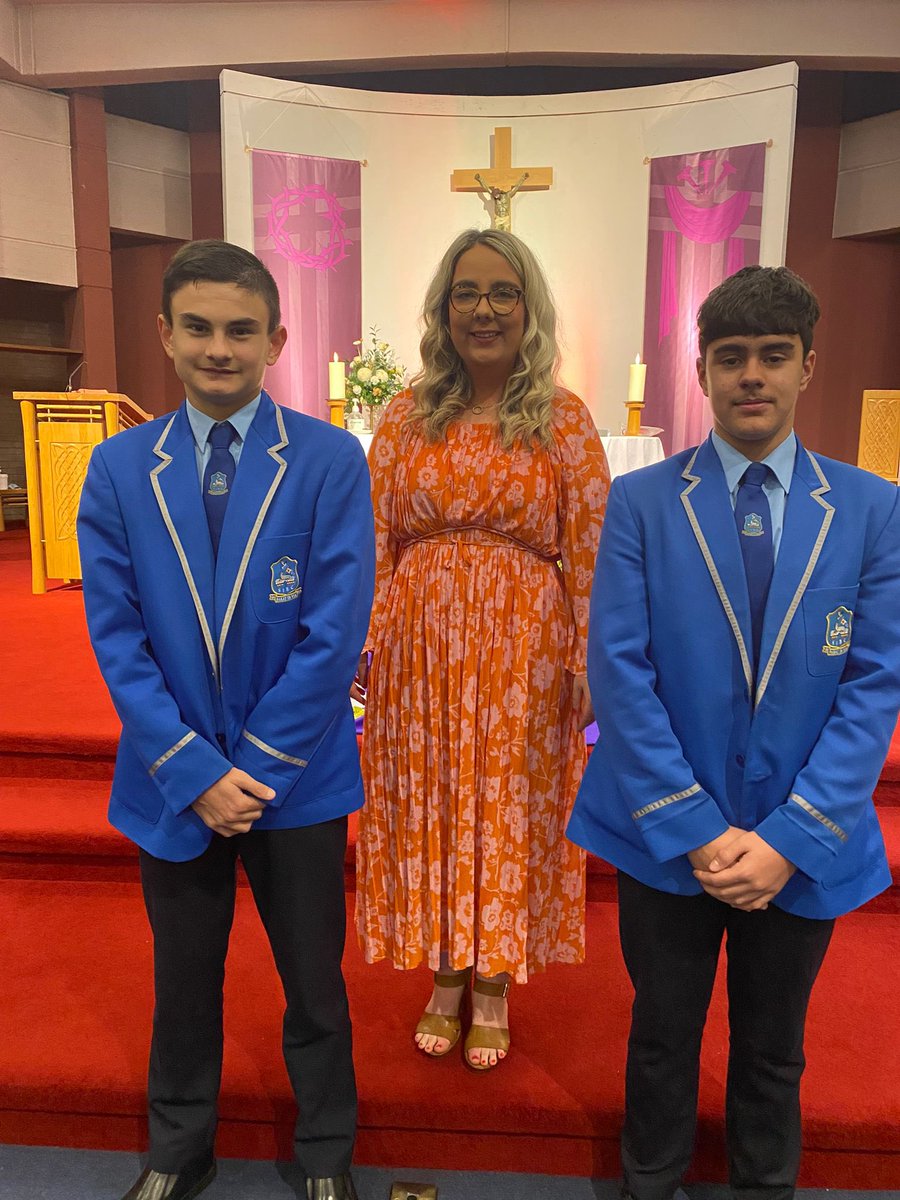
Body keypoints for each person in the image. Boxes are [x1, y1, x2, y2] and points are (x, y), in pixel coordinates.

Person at [567, 265, 900, 1199]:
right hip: (669, 834)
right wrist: (700, 830)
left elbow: (875, 684)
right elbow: (620, 673)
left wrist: (788, 840)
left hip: (802, 838)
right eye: (731, 357)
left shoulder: (872, 510)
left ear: (806, 368)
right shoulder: (640, 504)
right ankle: (649, 1182)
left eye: (772, 356)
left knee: (772, 1049)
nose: (751, 375)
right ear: (703, 371)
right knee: (662, 1036)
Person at [77, 240, 374, 1200]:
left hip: (297, 777)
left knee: (315, 987)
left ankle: (327, 1154)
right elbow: (116, 634)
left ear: (277, 339)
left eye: (241, 329)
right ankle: (179, 1147)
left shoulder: (328, 460)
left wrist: (254, 765)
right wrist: (193, 769)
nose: (219, 348)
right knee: (184, 983)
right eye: (198, 327)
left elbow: (335, 630)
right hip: (174, 779)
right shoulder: (119, 468)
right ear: (165, 335)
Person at [354, 228, 610, 1070]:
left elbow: (593, 548)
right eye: (467, 292)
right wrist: (371, 640)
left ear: (527, 308)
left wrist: (586, 662)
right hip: (419, 645)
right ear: (444, 308)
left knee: (505, 806)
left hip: (525, 649)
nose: (484, 309)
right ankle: (446, 969)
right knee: (433, 803)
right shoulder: (403, 415)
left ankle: (493, 979)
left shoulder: (564, 420)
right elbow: (377, 539)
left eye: (503, 292)